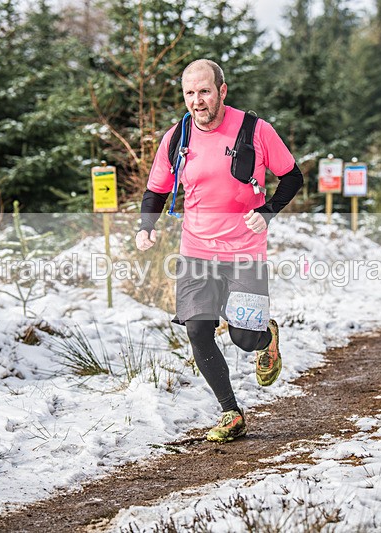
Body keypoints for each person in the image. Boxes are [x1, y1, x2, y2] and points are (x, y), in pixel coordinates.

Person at [135, 59, 303, 443]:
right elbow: (156, 189)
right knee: (198, 329)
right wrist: (146, 226)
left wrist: (268, 211)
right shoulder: (177, 137)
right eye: (190, 93)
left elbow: (292, 176)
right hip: (195, 249)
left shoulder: (255, 130)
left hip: (244, 249)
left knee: (243, 336)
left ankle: (265, 337)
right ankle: (231, 412)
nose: (197, 101)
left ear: (222, 91)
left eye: (205, 91)